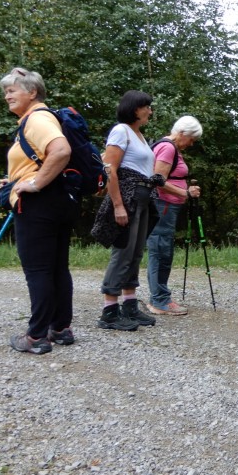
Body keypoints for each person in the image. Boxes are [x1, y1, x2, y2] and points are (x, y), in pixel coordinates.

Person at [0, 67, 78, 354]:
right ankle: (60, 328)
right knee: (57, 267)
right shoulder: (45, 118)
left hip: (39, 203)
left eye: (12, 89)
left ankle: (36, 337)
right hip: (59, 199)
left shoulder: (37, 118)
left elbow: (60, 151)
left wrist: (33, 184)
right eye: (5, 91)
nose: (7, 95)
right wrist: (18, 179)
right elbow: (41, 159)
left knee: (38, 270)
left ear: (32, 92)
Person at [98, 90, 160, 332]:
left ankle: (130, 305)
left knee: (135, 252)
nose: (150, 111)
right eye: (147, 107)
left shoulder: (139, 135)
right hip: (129, 198)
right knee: (123, 251)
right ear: (135, 108)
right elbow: (110, 169)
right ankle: (109, 311)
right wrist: (118, 205)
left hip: (143, 199)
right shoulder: (120, 131)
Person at [146, 116, 203, 316]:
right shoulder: (168, 147)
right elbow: (157, 179)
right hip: (163, 205)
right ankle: (159, 300)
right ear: (182, 133)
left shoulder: (169, 146)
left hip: (167, 206)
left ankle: (159, 297)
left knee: (163, 250)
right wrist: (184, 193)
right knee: (160, 251)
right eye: (192, 139)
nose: (192, 143)